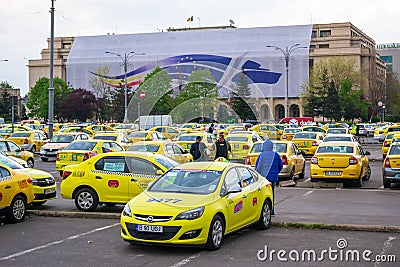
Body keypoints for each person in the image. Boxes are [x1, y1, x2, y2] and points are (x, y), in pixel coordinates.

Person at [255, 140, 283, 215]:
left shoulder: (262, 155)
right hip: (273, 178)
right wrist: (276, 172)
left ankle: (263, 210)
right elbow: (280, 166)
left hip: (264, 178)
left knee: (263, 195)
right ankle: (272, 210)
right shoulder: (276, 155)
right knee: (272, 193)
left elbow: (258, 167)